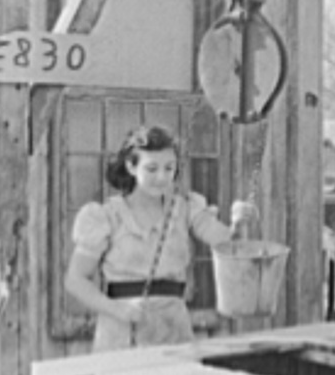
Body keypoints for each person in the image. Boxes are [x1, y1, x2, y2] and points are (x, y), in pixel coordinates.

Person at [65, 124, 257, 352]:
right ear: (131, 166)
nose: (162, 177)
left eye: (169, 168)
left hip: (173, 329)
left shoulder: (186, 208)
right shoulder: (106, 217)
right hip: (122, 332)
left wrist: (239, 222)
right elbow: (75, 280)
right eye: (152, 168)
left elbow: (228, 244)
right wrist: (117, 310)